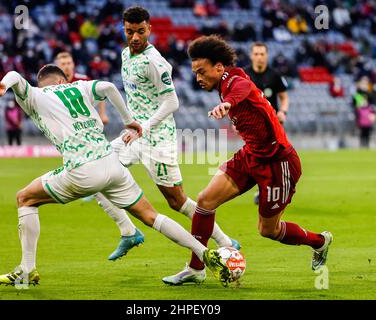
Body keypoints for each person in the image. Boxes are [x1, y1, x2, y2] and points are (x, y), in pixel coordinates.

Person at [0, 65, 226, 286]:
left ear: (44, 82)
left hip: (81, 170)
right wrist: (129, 121)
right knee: (152, 216)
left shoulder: (36, 95)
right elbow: (110, 87)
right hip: (112, 164)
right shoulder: (80, 86)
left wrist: (4, 85)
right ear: (62, 79)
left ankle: (27, 270)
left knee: (25, 198)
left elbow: (16, 76)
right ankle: (206, 253)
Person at [164, 35, 333, 287]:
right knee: (204, 201)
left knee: (268, 231)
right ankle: (196, 267)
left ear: (219, 68)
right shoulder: (228, 79)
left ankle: (319, 241)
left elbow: (242, 88)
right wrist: (227, 102)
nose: (197, 78)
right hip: (251, 155)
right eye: (195, 72)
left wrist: (228, 104)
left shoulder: (235, 82)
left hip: (278, 163)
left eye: (202, 71)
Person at [92, 6, 240, 269]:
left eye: (140, 31)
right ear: (123, 30)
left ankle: (225, 241)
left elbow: (172, 102)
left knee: (177, 201)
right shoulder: (126, 54)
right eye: (129, 32)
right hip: (134, 135)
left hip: (157, 138)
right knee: (96, 170)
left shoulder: (155, 62)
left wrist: (145, 126)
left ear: (149, 29)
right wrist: (133, 125)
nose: (135, 37)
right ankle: (128, 232)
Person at [245, 42, 289, 205]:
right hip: (252, 126)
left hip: (273, 125)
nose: (259, 57)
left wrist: (283, 112)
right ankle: (263, 189)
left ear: (267, 56)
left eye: (262, 54)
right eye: (256, 54)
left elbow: (284, 96)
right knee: (257, 159)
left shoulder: (275, 75)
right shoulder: (244, 75)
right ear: (251, 56)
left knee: (275, 158)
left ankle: (271, 189)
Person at [55, 51, 109, 125]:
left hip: (85, 120)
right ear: (57, 66)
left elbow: (100, 93)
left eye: (69, 63)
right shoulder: (53, 84)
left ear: (73, 64)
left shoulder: (83, 80)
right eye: (63, 64)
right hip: (64, 121)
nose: (66, 66)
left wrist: (102, 114)